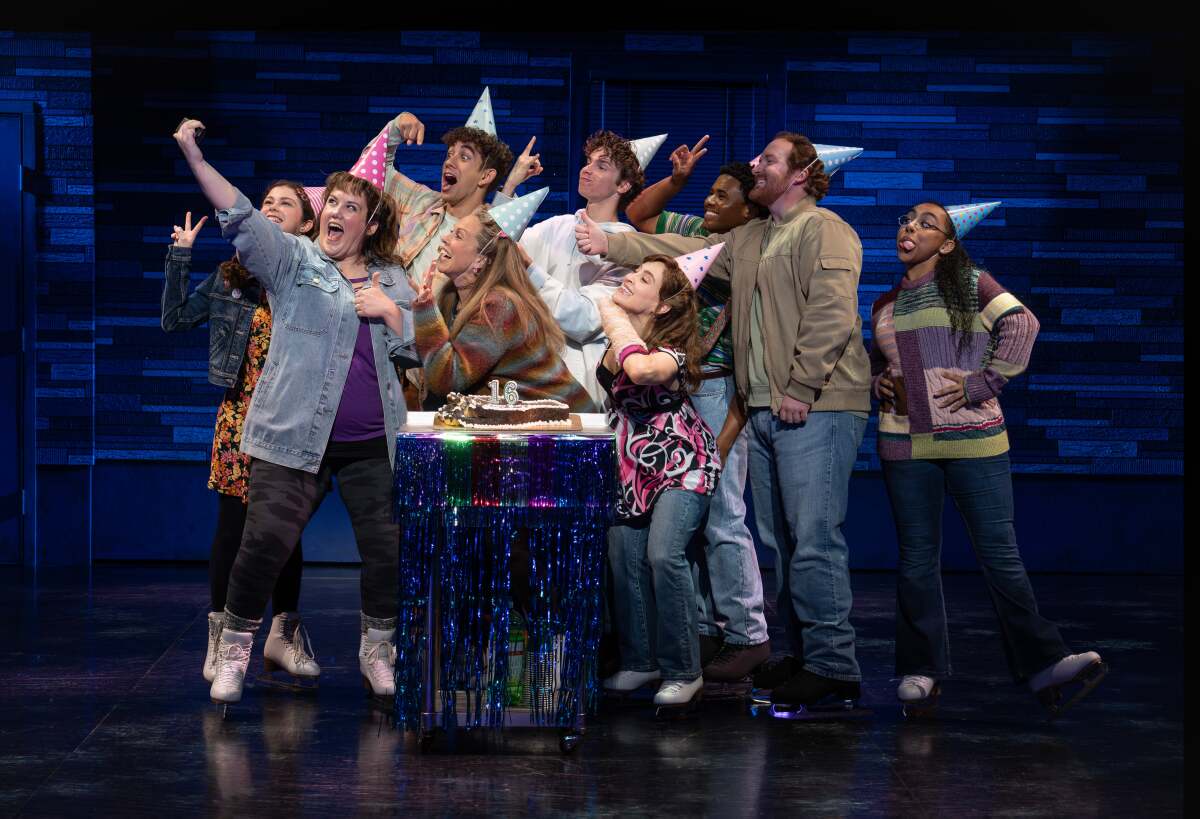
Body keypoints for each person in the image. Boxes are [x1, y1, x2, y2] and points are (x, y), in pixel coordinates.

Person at [577, 131, 871, 712]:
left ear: (801, 175)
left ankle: (835, 665)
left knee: (813, 538)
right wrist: (615, 247)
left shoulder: (825, 229)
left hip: (819, 402)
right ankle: (808, 653)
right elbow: (674, 256)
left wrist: (801, 386)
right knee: (780, 541)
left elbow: (832, 314)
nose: (758, 165)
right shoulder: (752, 235)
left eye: (770, 160)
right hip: (766, 402)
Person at [172, 118, 419, 707]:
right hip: (291, 438)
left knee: (387, 551)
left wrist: (393, 313)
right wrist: (193, 155)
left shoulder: (393, 279)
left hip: (372, 443)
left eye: (348, 205)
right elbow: (240, 215)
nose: (333, 211)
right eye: (328, 202)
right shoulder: (293, 263)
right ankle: (233, 654)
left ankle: (376, 654)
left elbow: (421, 352)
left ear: (373, 222)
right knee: (261, 547)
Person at [872, 200, 1107, 717]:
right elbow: (885, 364)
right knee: (915, 561)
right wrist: (879, 383)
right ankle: (922, 669)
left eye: (926, 224)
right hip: (905, 444)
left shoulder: (973, 283)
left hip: (975, 439)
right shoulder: (885, 303)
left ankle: (1043, 662)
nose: (910, 228)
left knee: (1000, 555)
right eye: (906, 221)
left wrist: (985, 381)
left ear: (949, 244)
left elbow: (1023, 326)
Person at [160, 181, 321, 689]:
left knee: (284, 531)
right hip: (239, 423)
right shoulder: (232, 278)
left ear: (306, 225)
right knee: (233, 530)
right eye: (266, 201)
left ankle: (283, 636)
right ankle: (219, 637)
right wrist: (179, 257)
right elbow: (174, 319)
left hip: (292, 423)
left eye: (285, 204)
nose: (271, 208)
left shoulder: (315, 281)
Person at [624, 138, 772, 680]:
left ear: (749, 210)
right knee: (690, 518)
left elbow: (747, 360)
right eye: (709, 193)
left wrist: (730, 427)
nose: (711, 202)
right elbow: (637, 214)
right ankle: (708, 628)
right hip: (676, 389)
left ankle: (748, 631)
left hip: (716, 388)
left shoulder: (747, 259)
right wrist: (679, 180)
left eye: (723, 196)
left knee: (725, 511)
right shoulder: (690, 232)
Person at [599, 252, 721, 714]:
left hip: (683, 464)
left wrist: (611, 313)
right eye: (632, 270)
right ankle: (641, 659)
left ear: (663, 305)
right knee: (622, 557)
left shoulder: (671, 352)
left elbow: (641, 372)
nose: (629, 278)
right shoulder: (619, 337)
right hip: (633, 468)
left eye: (643, 277)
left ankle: (684, 671)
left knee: (663, 555)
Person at [513, 130, 665, 406]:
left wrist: (529, 267)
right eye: (589, 161)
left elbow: (584, 319)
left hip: (580, 384)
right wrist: (511, 185)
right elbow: (499, 246)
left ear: (623, 185)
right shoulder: (557, 226)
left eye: (601, 165)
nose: (587, 169)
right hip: (532, 375)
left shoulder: (626, 247)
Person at [410, 204, 592, 412]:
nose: (445, 238)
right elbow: (434, 359)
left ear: (481, 259)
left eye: (458, 236)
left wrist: (425, 310)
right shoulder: (451, 298)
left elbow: (446, 378)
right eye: (452, 232)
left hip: (563, 424)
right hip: (519, 423)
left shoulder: (499, 306)